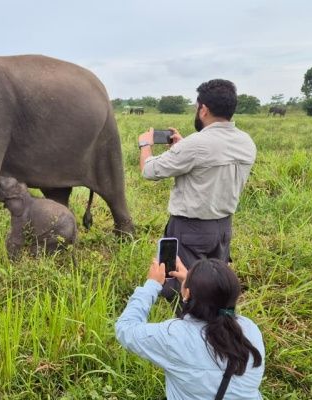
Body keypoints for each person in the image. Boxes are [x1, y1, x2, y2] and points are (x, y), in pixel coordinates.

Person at [138, 79, 256, 298]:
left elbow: (149, 170)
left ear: (203, 109)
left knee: (183, 287)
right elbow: (211, 157)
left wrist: (145, 145)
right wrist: (182, 147)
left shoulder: (196, 144)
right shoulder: (245, 141)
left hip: (190, 228)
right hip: (223, 227)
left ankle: (186, 317)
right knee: (213, 285)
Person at [115, 257, 265, 399]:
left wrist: (152, 284)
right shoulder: (250, 330)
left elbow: (125, 328)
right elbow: (216, 303)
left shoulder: (174, 336)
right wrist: (197, 286)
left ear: (187, 293)